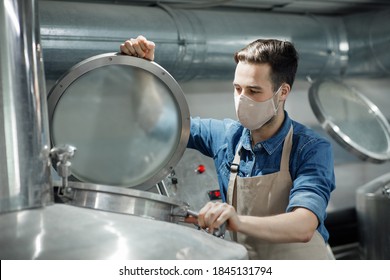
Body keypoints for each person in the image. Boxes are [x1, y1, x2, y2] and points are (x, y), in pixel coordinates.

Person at [120, 35, 336, 259]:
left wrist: (238, 220)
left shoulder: (310, 148)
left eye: (253, 91)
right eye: (237, 89)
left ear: (282, 92)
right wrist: (144, 69)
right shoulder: (227, 137)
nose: (242, 99)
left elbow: (303, 225)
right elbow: (156, 124)